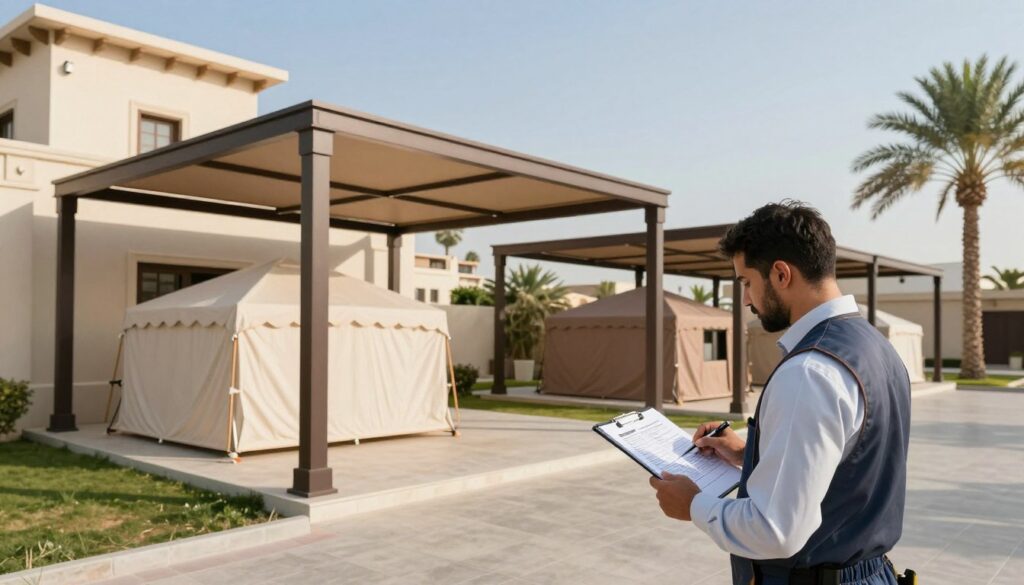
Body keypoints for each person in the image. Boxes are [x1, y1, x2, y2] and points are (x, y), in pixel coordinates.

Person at [649, 201, 911, 585]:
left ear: (781, 274)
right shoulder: (876, 347)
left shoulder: (809, 372)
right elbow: (852, 464)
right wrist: (747, 454)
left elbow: (777, 530)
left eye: (746, 283)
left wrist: (693, 504)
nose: (746, 300)